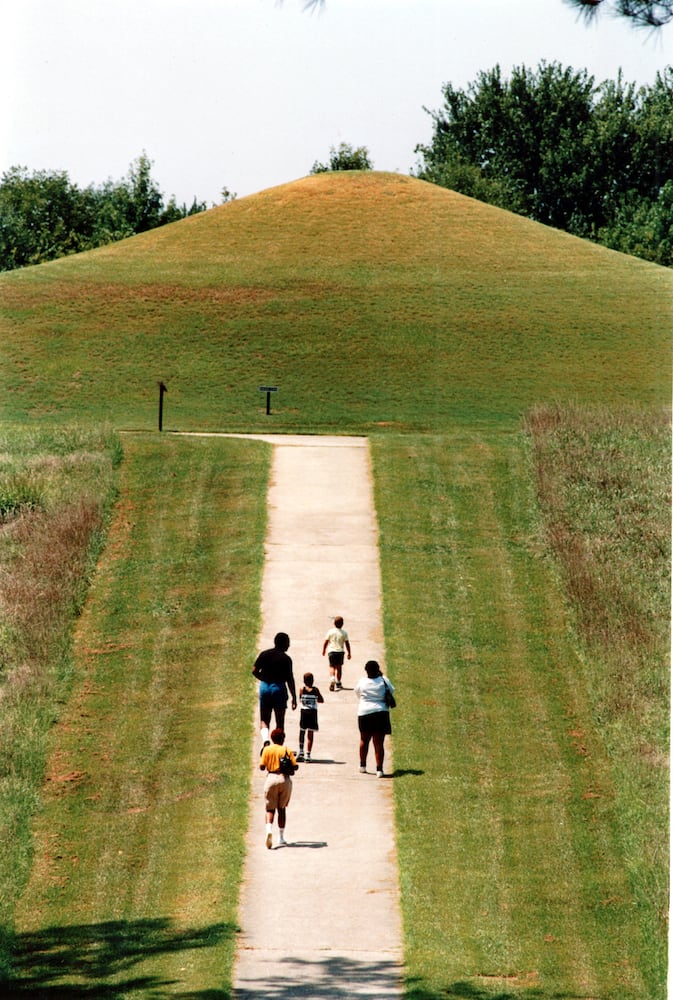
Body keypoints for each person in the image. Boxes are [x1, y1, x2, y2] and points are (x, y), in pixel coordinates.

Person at [252, 632, 297, 752]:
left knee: (264, 720)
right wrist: (294, 697)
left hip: (265, 688)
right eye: (288, 642)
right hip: (279, 688)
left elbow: (254, 670)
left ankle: (266, 740)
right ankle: (279, 748)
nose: (289, 645)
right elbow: (290, 679)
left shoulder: (265, 654)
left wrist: (264, 678)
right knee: (280, 721)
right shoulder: (286, 659)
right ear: (283, 644)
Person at [354, 660, 395, 778]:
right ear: (378, 669)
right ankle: (379, 770)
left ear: (366, 670)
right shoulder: (384, 680)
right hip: (381, 713)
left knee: (364, 740)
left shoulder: (362, 681)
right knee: (378, 743)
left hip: (364, 712)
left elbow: (357, 694)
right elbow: (391, 691)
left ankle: (362, 766)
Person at [260, 727, 298, 849]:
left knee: (270, 809)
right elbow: (295, 766)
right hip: (284, 779)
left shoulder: (267, 750)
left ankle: (268, 830)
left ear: (272, 738)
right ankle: (281, 837)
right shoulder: (286, 750)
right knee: (282, 809)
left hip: (271, 779)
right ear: (283, 739)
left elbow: (261, 767)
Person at [297, 671, 324, 762]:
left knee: (302, 731)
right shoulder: (315, 690)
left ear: (304, 681)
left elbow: (300, 698)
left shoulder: (301, 689)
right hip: (312, 713)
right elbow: (321, 700)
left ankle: (301, 752)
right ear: (313, 680)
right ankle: (308, 754)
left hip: (304, 712)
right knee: (310, 734)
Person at [322, 615, 351, 691]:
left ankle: (332, 679)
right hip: (340, 652)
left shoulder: (330, 631)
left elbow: (326, 642)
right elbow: (347, 643)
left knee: (332, 667)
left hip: (331, 652)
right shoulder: (344, 633)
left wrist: (324, 650)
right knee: (339, 668)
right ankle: (338, 682)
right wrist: (349, 653)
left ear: (334, 623)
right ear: (342, 624)